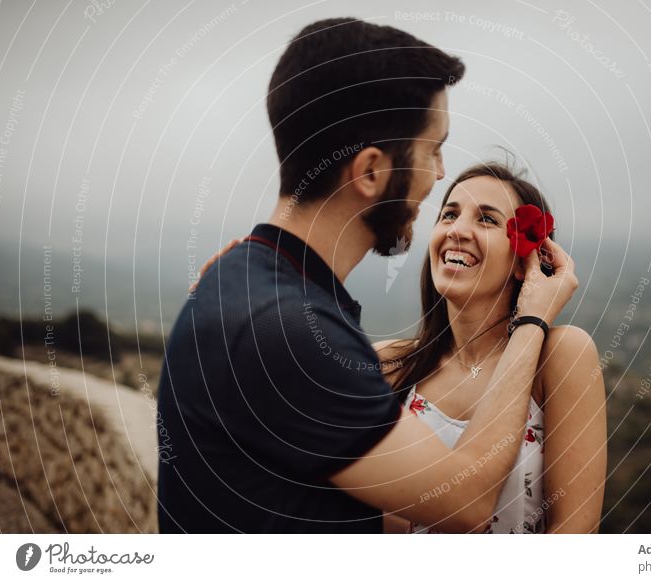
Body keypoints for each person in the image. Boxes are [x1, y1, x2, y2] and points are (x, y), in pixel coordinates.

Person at [156, 17, 579, 533]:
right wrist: (532, 320)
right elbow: (466, 500)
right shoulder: (290, 331)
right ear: (371, 171)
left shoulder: (248, 287)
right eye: (432, 149)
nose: (439, 174)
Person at [375, 163, 607, 533]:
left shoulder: (562, 356)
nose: (458, 230)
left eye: (486, 220)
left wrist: (533, 321)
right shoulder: (388, 366)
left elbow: (575, 531)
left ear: (524, 261)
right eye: (449, 214)